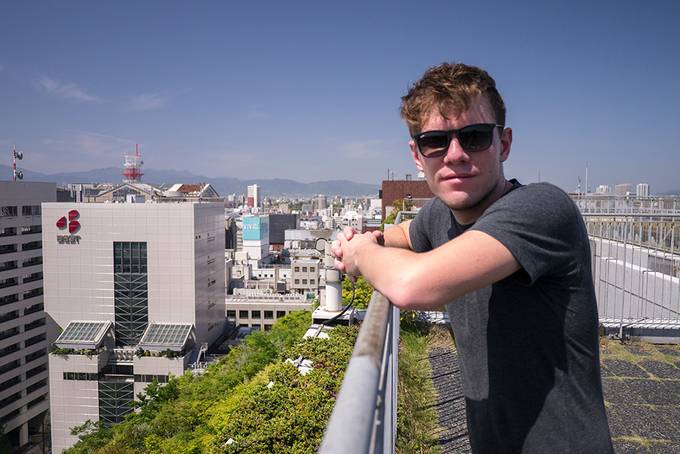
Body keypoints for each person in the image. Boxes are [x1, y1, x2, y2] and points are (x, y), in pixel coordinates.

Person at [332, 63, 613, 453]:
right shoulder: (441, 214)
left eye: (475, 136)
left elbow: (414, 286)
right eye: (435, 141)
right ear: (417, 155)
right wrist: (368, 238)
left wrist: (361, 253)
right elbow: (403, 234)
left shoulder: (541, 209)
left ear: (505, 143)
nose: (455, 155)